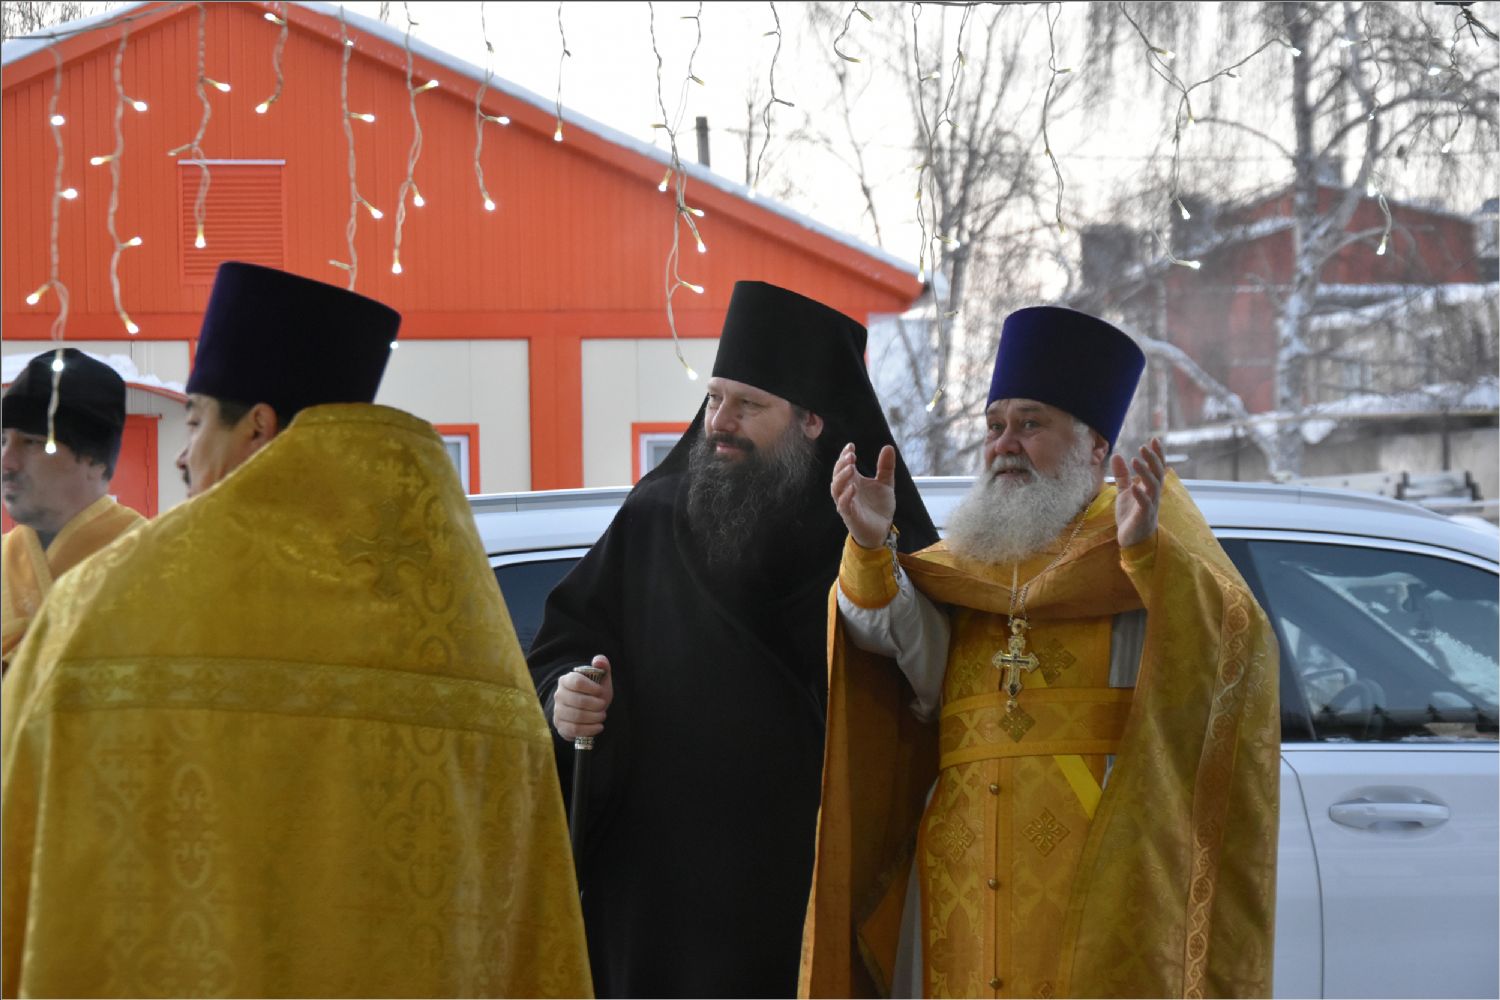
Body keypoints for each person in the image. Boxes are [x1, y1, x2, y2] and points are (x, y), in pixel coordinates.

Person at [2, 262, 591, 998]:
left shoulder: (108, 605)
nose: (182, 452)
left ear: (257, 427)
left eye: (194, 421)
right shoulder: (468, 639)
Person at [800, 306, 1280, 999]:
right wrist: (872, 548)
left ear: (1094, 446)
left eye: (1030, 424)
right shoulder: (972, 557)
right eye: (994, 426)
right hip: (963, 857)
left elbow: (1230, 649)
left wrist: (1150, 559)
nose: (1005, 444)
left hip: (1102, 857)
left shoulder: (1145, 536)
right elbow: (911, 657)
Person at [529, 280, 939, 998]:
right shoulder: (651, 518)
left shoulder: (872, 538)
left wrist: (875, 553)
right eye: (715, 399)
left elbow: (931, 691)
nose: (719, 422)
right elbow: (564, 644)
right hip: (657, 906)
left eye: (748, 405)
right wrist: (566, 700)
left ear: (811, 420)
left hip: (809, 901)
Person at [2, 349, 143, 668]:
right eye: (2, 441)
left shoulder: (155, 562)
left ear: (94, 459)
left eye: (32, 442)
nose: (7, 462)